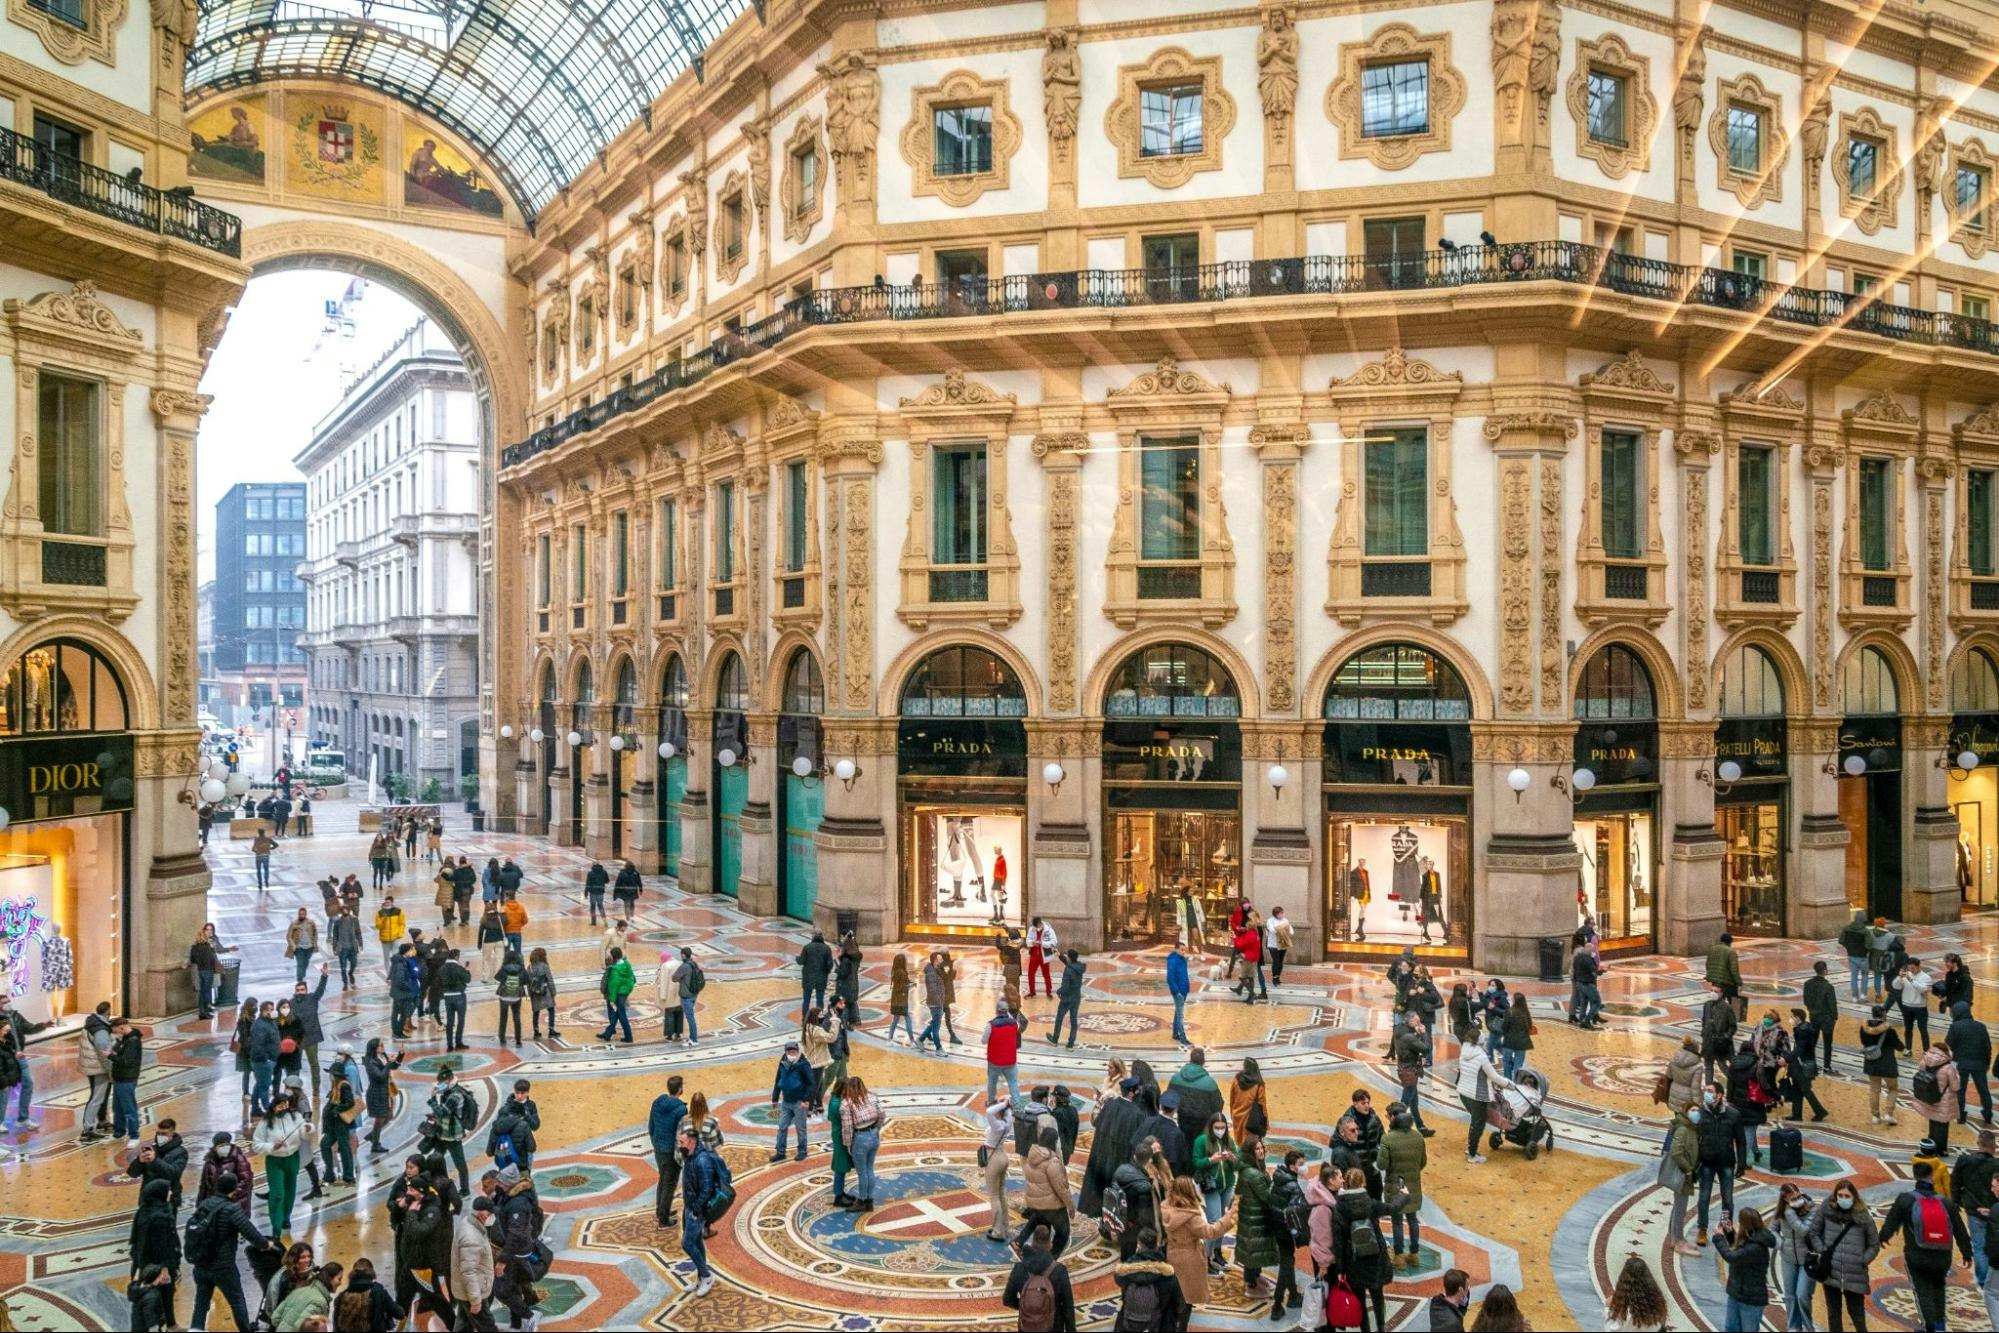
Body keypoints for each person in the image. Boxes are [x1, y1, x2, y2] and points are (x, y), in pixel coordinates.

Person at [1880, 1158, 1973, 1333]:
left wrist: (1882, 1238)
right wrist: (1967, 1254)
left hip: (1917, 1256)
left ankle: (1929, 1327)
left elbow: (1890, 1224)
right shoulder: (1946, 1202)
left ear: (1915, 1176)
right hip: (1942, 1256)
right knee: (1939, 1288)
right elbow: (1960, 1230)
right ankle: (1939, 1327)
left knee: (1922, 1292)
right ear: (1932, 1177)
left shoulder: (1905, 1200)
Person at [185, 1170, 273, 1333]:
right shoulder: (232, 1209)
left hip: (201, 1263)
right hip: (223, 1266)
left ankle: (195, 1329)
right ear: (234, 1188)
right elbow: (251, 1234)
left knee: (201, 1303)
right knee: (237, 1300)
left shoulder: (205, 1204)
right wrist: (266, 1244)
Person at [1809, 1179, 1880, 1333]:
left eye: (1847, 1196)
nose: (1843, 1199)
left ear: (1854, 1197)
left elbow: (1874, 1244)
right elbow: (1814, 1232)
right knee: (1833, 1314)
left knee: (1857, 1315)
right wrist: (1823, 1251)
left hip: (1855, 1274)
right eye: (1840, 1195)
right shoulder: (1827, 1211)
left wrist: (1863, 1260)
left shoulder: (1863, 1217)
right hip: (1830, 1272)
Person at [1332, 1164, 1395, 1332]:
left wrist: (1340, 1269)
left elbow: (1337, 1242)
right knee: (1377, 1295)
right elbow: (1392, 1208)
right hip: (1375, 1256)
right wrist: (1403, 1196)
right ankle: (1381, 1327)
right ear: (1363, 1183)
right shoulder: (1371, 1204)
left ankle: (1365, 1329)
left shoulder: (1339, 1207)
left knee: (1359, 1299)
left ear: (1346, 1183)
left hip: (1354, 1260)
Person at [677, 1122, 727, 1299]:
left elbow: (706, 1189)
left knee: (687, 1243)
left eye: (682, 1142)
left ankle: (706, 1275)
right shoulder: (690, 1157)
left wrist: (697, 1208)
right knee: (697, 1242)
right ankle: (700, 1278)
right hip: (690, 1206)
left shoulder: (702, 1160)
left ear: (691, 1142)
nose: (679, 1145)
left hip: (696, 1210)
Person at [1003, 1221, 1077, 1332]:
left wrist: (1028, 1306)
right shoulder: (1060, 1270)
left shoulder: (1019, 1268)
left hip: (1027, 1326)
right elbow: (1068, 1307)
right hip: (1053, 1326)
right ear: (1050, 1244)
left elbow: (1007, 1299)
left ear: (1032, 1243)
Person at [1712, 1205, 1775, 1332]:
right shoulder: (1752, 1237)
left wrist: (1719, 1237)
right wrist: (1730, 1234)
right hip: (1737, 1293)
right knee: (1731, 1328)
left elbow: (1732, 1256)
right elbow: (1739, 1250)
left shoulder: (1756, 1247)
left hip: (1751, 1300)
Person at [1019, 1119, 1077, 1257]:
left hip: (1036, 1203)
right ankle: (1050, 1260)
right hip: (1053, 1206)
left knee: (1043, 1230)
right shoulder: (1052, 1161)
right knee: (1063, 1233)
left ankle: (1030, 1249)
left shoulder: (1031, 1155)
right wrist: (1070, 1206)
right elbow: (1061, 1188)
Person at [253, 1089, 306, 1238]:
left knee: (290, 1191)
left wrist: (308, 1129)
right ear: (274, 1106)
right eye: (280, 1106)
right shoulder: (265, 1123)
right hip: (274, 1161)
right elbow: (256, 1145)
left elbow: (304, 1133)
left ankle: (285, 1218)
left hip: (292, 1158)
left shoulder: (295, 1117)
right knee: (277, 1194)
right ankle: (276, 1227)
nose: (284, 1108)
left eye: (286, 1105)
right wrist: (271, 1146)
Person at [1378, 1105, 1427, 1266]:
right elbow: (1423, 1162)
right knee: (1413, 1220)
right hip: (1413, 1185)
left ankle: (1399, 1256)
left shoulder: (1387, 1139)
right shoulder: (1418, 1137)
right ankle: (1414, 1254)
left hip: (1395, 1186)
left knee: (1397, 1221)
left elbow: (1382, 1165)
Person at [1113, 1226, 1187, 1332]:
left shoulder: (1124, 1273)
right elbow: (1179, 1306)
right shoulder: (1168, 1275)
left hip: (1129, 1323)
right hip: (1160, 1324)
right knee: (1169, 1310)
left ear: (1138, 1245)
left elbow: (1121, 1286)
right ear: (1157, 1245)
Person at [1694, 1081, 1740, 1246]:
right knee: (1704, 1197)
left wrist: (1741, 1164)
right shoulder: (1700, 1113)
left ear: (1719, 1095)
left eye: (1710, 1091)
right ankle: (1702, 1228)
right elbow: (1694, 1139)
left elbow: (1740, 1141)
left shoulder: (1733, 1114)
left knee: (1727, 1199)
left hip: (1726, 1161)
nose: (1706, 1093)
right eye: (1705, 1090)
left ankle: (1726, 1228)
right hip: (1706, 1162)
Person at [1455, 1036, 1511, 1165]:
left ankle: (1470, 1148)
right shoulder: (1481, 1057)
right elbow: (1494, 1076)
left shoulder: (1464, 1052)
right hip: (1478, 1096)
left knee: (1475, 1121)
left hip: (1464, 1092)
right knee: (1478, 1124)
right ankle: (1472, 1154)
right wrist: (1508, 1084)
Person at [1771, 1183, 1816, 1333]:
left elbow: (1804, 1231)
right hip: (1788, 1258)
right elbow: (1772, 1230)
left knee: (1802, 1294)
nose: (1797, 1200)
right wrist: (1781, 1244)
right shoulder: (1780, 1211)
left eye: (1798, 1196)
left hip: (1808, 1259)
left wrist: (1790, 1214)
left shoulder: (1811, 1208)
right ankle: (1794, 1327)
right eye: (1793, 1198)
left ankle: (1809, 1327)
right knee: (1790, 1295)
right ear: (1785, 1200)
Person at [425, 1066, 476, 1193]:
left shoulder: (456, 1095)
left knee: (460, 1163)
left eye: (442, 1082)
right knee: (436, 1160)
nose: (439, 1085)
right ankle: (439, 1184)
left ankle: (465, 1189)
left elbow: (443, 1112)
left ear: (449, 1079)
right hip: (442, 1131)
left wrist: (432, 1099)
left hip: (452, 1134)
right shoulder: (447, 1091)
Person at [1660, 1103, 1700, 1256]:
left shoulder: (1690, 1128)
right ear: (1686, 1112)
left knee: (1678, 1205)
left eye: (1698, 1111)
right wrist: (1688, 1170)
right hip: (1683, 1174)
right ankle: (1678, 1240)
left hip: (1685, 1173)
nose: (1696, 1113)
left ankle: (1673, 1237)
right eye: (1693, 1110)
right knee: (1681, 1208)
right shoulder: (1684, 1129)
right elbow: (1676, 1152)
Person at [648, 1074, 688, 1226]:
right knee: (670, 1183)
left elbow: (651, 1126)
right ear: (680, 1089)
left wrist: (655, 1142)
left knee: (663, 1179)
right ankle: (664, 1218)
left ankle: (661, 1210)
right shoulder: (680, 1109)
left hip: (659, 1148)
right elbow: (681, 1133)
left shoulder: (656, 1103)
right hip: (671, 1151)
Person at [841, 1075, 884, 1211]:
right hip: (874, 1136)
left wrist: (848, 1145)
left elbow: (847, 1128)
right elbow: (882, 1114)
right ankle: (869, 1201)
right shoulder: (872, 1097)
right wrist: (876, 1128)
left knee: (862, 1172)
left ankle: (862, 1201)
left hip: (860, 1138)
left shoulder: (846, 1104)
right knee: (870, 1169)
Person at [1950, 999, 1996, 1125]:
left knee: (1961, 1090)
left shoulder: (1955, 1026)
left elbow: (1950, 1043)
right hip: (1979, 1064)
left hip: (1961, 1064)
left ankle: (1961, 1116)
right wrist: (1987, 1063)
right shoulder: (1981, 1026)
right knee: (1983, 1090)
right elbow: (1988, 1047)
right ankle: (1987, 1114)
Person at [1913, 1040, 1965, 1152]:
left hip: (1928, 1097)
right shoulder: (1948, 1068)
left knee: (1932, 1121)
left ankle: (1930, 1146)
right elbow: (1955, 1087)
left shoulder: (1924, 1061)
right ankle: (1940, 1149)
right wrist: (1957, 1075)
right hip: (1943, 1100)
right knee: (1942, 1126)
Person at [1862, 1003, 1907, 1125]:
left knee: (1874, 1089)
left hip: (1871, 1062)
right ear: (1884, 1015)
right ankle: (1888, 1114)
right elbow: (1899, 1047)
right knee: (1892, 1088)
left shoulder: (1864, 1028)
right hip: (1888, 1064)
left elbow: (1863, 1042)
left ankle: (1875, 1116)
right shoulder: (1890, 1031)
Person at [771, 1039, 814, 1162]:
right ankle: (780, 1151)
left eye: (794, 1051)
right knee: (782, 1126)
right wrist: (775, 1098)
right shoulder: (783, 1063)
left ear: (798, 1051)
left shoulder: (804, 1065)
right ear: (785, 1052)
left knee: (800, 1128)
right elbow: (778, 1080)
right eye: (789, 1051)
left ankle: (802, 1151)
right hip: (786, 1102)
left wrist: (806, 1100)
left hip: (799, 1102)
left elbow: (811, 1083)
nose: (791, 1053)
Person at [319, 1062, 358, 1189]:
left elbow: (350, 1102)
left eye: (331, 1074)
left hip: (339, 1124)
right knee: (325, 1145)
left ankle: (349, 1178)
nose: (330, 1076)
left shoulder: (343, 1085)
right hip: (333, 1125)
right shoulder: (336, 1085)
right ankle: (329, 1175)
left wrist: (336, 1111)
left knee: (345, 1149)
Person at [489, 1078, 541, 1174]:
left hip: (525, 1148)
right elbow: (497, 1128)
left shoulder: (531, 1105)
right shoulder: (506, 1108)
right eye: (517, 1093)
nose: (519, 1096)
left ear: (527, 1093)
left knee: (525, 1178)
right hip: (507, 1148)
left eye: (522, 1093)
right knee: (506, 1178)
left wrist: (526, 1115)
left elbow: (535, 1126)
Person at [107, 1016, 144, 1148]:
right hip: (119, 1078)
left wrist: (110, 1055)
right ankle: (119, 1132)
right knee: (117, 1107)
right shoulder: (125, 1039)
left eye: (116, 1030)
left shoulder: (133, 1042)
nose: (115, 1033)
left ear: (121, 1027)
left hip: (127, 1079)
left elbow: (126, 1061)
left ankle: (134, 1135)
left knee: (129, 1108)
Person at [362, 1038, 403, 1154]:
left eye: (382, 1044)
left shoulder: (382, 1056)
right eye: (380, 1045)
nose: (382, 1047)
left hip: (385, 1092)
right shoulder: (370, 1062)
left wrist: (400, 1056)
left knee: (389, 1116)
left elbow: (393, 1067)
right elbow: (380, 1076)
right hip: (376, 1093)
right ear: (374, 1048)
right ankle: (375, 1144)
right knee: (380, 1119)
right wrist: (389, 1063)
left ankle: (372, 1136)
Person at [982, 1096, 1013, 1243]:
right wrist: (1004, 1103)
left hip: (993, 1158)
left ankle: (998, 1231)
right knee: (1001, 1193)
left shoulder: (996, 1125)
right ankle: (1004, 1226)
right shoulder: (1007, 1120)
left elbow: (988, 1111)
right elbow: (1004, 1106)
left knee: (994, 1196)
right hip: (1003, 1156)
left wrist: (1003, 1103)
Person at [985, 1000, 1023, 1108]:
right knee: (1013, 1082)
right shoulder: (1015, 1024)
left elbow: (983, 1040)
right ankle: (1017, 1106)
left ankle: (991, 1101)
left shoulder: (990, 1025)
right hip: (1010, 1060)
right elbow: (1016, 1024)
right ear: (1007, 1011)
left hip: (994, 1061)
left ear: (996, 1011)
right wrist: (1008, 1014)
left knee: (992, 1082)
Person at [1897, 956, 1937, 1051]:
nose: (1910, 970)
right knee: (1908, 1029)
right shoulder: (1906, 975)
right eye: (1909, 968)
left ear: (1919, 966)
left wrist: (1910, 979)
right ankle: (1908, 1049)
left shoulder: (1926, 977)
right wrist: (1899, 978)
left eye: (1913, 968)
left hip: (1920, 1007)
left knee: (1923, 1030)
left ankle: (1926, 1051)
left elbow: (1922, 989)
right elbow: (1896, 986)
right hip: (1906, 1006)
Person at [1701, 983, 1739, 1084]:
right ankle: (1708, 1089)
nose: (1713, 993)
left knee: (1722, 1066)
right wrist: (1704, 1033)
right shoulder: (1707, 1005)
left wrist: (1725, 1037)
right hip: (1708, 1042)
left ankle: (1736, 1083)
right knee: (1708, 1066)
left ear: (1722, 993)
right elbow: (1704, 1020)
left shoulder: (1727, 1008)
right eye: (1712, 990)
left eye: (1716, 991)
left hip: (1721, 1043)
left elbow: (1733, 1026)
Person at [598, 946, 637, 1043]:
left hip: (619, 994)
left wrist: (611, 999)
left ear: (613, 957)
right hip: (625, 992)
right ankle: (608, 1034)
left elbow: (613, 986)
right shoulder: (626, 964)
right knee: (616, 1014)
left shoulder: (614, 970)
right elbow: (633, 978)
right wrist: (628, 988)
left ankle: (629, 1037)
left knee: (621, 1015)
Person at [1049, 949, 1084, 1049]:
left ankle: (1055, 1039)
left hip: (1067, 999)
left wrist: (1059, 991)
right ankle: (1070, 1044)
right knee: (1073, 1020)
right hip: (1076, 997)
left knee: (1059, 1018)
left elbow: (1065, 985)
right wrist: (1059, 955)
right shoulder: (1079, 966)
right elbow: (1068, 963)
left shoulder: (1068, 971)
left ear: (1069, 957)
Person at [494, 948, 528, 1047]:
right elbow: (526, 981)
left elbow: (497, 977)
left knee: (503, 1018)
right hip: (516, 996)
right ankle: (518, 1040)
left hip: (504, 996)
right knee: (516, 1018)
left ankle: (502, 1039)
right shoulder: (521, 969)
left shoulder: (504, 968)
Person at [1707, 931, 1744, 1020]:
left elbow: (1708, 964)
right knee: (1734, 1000)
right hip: (1727, 981)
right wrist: (1739, 982)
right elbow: (1734, 970)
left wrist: (1712, 976)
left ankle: (1714, 1017)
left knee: (1717, 999)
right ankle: (1735, 1019)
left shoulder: (1713, 949)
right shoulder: (1731, 952)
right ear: (1730, 942)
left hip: (1715, 980)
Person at [797, 930, 834, 1018]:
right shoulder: (827, 948)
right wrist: (826, 972)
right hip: (821, 978)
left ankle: (805, 1019)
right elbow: (830, 964)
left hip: (808, 978)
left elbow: (801, 961)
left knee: (806, 1000)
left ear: (813, 936)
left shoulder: (807, 947)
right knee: (820, 1000)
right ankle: (819, 1019)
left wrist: (797, 958)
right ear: (822, 936)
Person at [1231, 913, 1266, 1003]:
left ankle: (1254, 993)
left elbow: (1243, 944)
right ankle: (1249, 996)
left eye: (1249, 919)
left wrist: (1235, 939)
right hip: (1255, 955)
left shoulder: (1254, 932)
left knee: (1244, 976)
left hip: (1250, 957)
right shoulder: (1256, 931)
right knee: (1250, 977)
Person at [1429, 1268, 1476, 1333]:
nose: (1468, 1289)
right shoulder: (1453, 1324)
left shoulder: (1435, 1302)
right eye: (1468, 1287)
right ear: (1460, 1290)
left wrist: (1463, 1302)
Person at [528, 946, 559, 1042]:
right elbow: (550, 979)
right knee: (551, 1010)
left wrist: (530, 994)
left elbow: (528, 982)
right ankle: (551, 1030)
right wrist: (553, 991)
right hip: (546, 992)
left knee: (536, 1012)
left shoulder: (529, 967)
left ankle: (536, 1031)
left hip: (535, 993)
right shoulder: (544, 966)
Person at [675, 947, 703, 1046]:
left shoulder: (684, 966)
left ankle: (694, 1039)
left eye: (681, 954)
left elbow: (674, 978)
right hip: (694, 994)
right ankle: (693, 1038)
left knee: (690, 1017)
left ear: (683, 955)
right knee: (690, 1016)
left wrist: (681, 978)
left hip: (686, 995)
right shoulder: (694, 964)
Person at [1165, 940, 1191, 1045]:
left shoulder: (1183, 959)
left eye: (1184, 950)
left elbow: (1184, 975)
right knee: (1180, 1015)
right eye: (1182, 949)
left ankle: (1175, 1033)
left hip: (1184, 990)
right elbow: (1170, 978)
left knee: (1178, 1012)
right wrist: (1177, 992)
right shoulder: (1172, 961)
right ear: (1176, 949)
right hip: (1178, 992)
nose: (1184, 951)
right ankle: (1183, 1037)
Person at [886, 952, 915, 1045]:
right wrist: (910, 985)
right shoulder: (902, 973)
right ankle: (912, 1040)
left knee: (895, 1019)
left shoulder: (895, 972)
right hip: (901, 1001)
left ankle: (889, 1039)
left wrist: (908, 983)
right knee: (908, 1018)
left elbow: (899, 985)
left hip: (896, 1000)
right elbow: (902, 987)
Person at [284, 907, 318, 983]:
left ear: (305, 914)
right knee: (300, 963)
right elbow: (288, 936)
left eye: (303, 914)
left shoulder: (311, 922)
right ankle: (300, 979)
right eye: (300, 914)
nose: (301, 915)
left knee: (306, 963)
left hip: (309, 947)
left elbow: (315, 933)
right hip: (299, 948)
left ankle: (302, 976)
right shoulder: (294, 923)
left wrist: (314, 944)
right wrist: (293, 946)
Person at [1026, 917, 1056, 998]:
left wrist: (1042, 943)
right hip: (1034, 955)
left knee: (1046, 974)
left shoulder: (1049, 930)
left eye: (1038, 926)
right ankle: (1032, 992)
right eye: (1036, 927)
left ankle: (1049, 992)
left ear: (1041, 923)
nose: (1037, 928)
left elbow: (1054, 942)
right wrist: (1032, 943)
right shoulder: (1032, 929)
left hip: (1044, 956)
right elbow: (1027, 940)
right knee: (1030, 974)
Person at [375, 895, 407, 973]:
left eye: (388, 902)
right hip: (385, 939)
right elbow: (378, 926)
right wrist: (383, 920)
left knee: (395, 956)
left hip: (396, 937)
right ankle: (388, 974)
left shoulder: (398, 911)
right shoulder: (380, 913)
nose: (387, 903)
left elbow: (402, 923)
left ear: (392, 903)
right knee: (386, 958)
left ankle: (395, 972)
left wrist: (400, 933)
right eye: (386, 902)